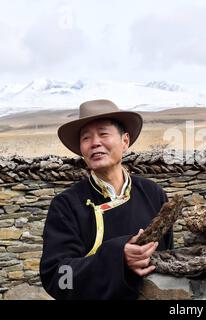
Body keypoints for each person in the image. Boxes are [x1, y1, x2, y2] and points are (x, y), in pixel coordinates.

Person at [39, 99, 173, 300]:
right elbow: (58, 278)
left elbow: (168, 257)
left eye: (103, 134)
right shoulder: (66, 205)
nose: (95, 143)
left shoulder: (153, 194)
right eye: (86, 138)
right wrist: (118, 257)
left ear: (125, 141)